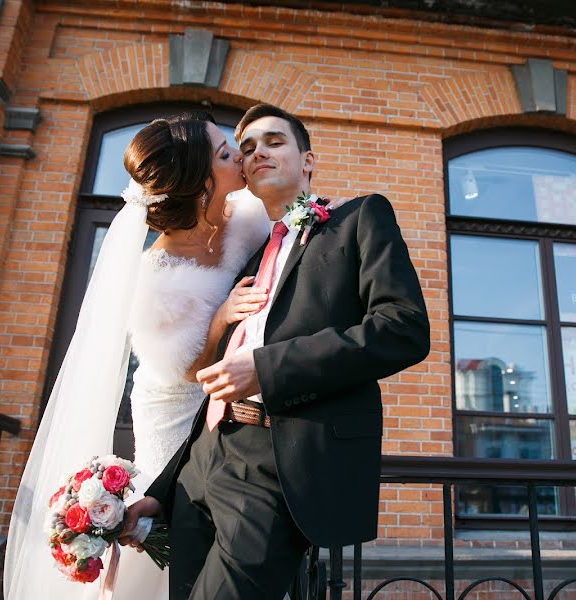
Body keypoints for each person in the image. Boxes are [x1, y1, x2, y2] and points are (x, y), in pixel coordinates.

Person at [122, 103, 431, 599]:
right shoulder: (243, 257)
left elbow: (405, 329)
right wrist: (161, 491)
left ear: (307, 160)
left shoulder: (359, 219)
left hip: (277, 465)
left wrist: (266, 370)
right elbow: (210, 386)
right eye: (245, 148)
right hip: (201, 465)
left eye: (274, 141)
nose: (257, 152)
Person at [4, 113, 273, 598]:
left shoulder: (248, 217)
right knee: (172, 520)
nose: (238, 153)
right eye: (222, 152)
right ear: (198, 182)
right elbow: (185, 372)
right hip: (174, 406)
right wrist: (221, 319)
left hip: (234, 401)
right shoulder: (156, 281)